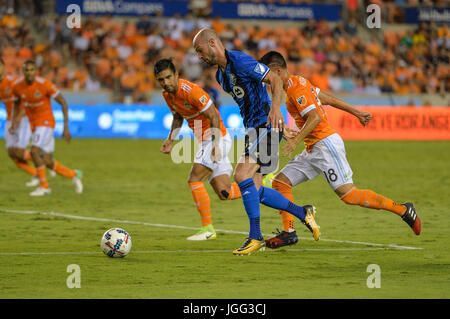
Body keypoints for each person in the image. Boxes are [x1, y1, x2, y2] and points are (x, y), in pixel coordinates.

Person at [258, 51, 421, 249]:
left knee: (349, 195)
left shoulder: (295, 89)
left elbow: (316, 117)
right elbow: (326, 98)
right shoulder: (298, 82)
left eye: (267, 77)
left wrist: (295, 140)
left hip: (325, 145)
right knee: (280, 183)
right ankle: (289, 233)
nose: (266, 81)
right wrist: (357, 112)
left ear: (277, 70)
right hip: (313, 147)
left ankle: (403, 210)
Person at [192, 29, 320, 256]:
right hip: (253, 130)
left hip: (266, 125)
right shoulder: (221, 76)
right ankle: (303, 213)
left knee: (241, 175)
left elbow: (274, 79)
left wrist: (276, 113)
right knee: (256, 190)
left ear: (212, 42)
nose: (199, 56)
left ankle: (255, 237)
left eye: (200, 50)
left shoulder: (240, 61)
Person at [155, 58, 242, 241]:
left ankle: (207, 229)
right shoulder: (167, 94)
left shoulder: (191, 91)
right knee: (225, 193)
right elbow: (178, 117)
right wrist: (171, 139)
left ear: (177, 75)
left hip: (216, 138)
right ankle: (263, 183)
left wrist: (217, 144)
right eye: (161, 79)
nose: (166, 83)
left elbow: (213, 116)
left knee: (194, 179)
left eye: (169, 77)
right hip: (206, 142)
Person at [10, 59, 83, 196]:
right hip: (34, 124)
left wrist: (65, 127)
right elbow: (16, 102)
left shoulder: (45, 84)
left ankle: (44, 187)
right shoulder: (17, 86)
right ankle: (74, 174)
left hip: (46, 123)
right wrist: (14, 121)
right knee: (47, 161)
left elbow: (63, 101)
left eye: (32, 70)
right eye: (27, 70)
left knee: (34, 151)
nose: (29, 73)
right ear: (23, 71)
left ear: (36, 71)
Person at [0, 58, 38, 185]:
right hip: (10, 120)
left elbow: (26, 98)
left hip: (23, 118)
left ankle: (46, 161)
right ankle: (36, 174)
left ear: (3, 67)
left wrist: (19, 116)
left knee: (20, 152)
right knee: (12, 153)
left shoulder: (13, 82)